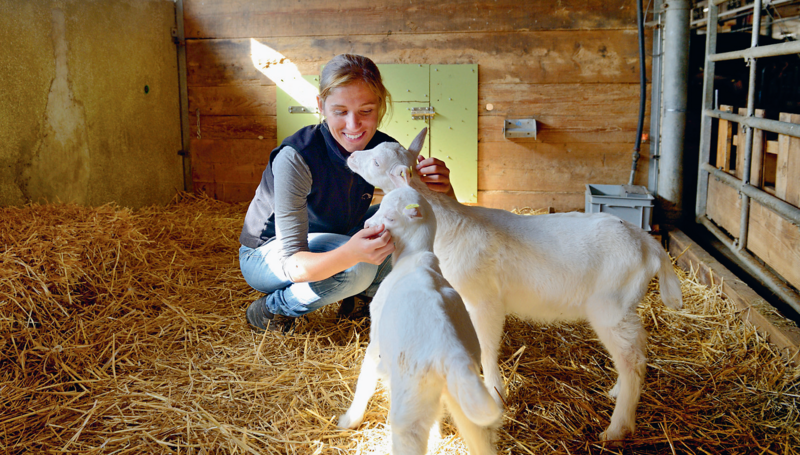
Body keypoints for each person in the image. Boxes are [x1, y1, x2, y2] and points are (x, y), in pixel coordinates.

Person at [239, 54, 455, 333]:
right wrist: (350, 254)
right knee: (359, 269)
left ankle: (362, 299)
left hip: (338, 232)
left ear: (380, 106)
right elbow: (291, 262)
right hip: (270, 255)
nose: (354, 126)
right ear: (320, 105)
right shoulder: (297, 157)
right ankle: (273, 309)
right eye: (340, 111)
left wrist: (444, 190)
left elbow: (436, 213)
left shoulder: (383, 148)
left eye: (365, 111)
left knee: (413, 217)